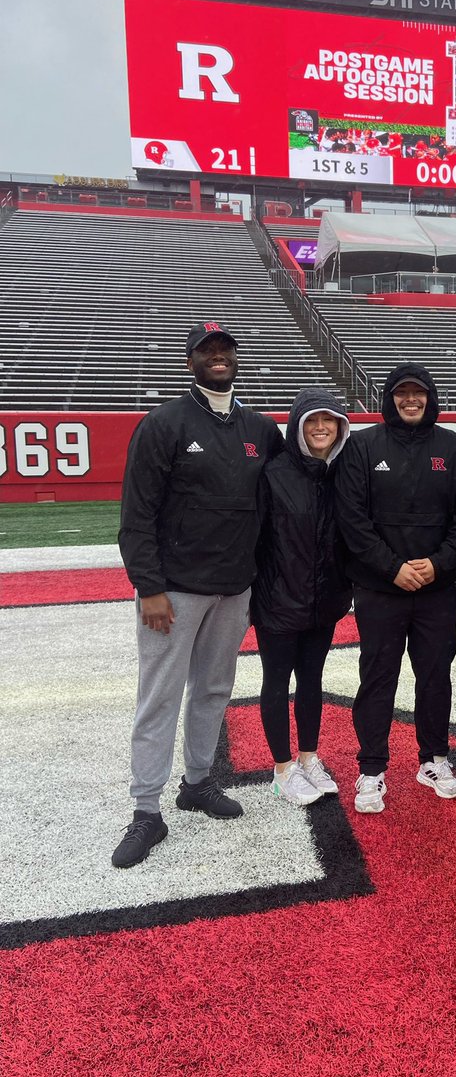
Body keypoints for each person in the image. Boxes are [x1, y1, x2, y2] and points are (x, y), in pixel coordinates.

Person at [113, 322, 284, 868]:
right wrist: (149, 588)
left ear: (236, 357)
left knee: (214, 689)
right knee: (159, 696)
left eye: (225, 349)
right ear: (191, 361)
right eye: (206, 351)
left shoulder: (259, 427)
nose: (217, 357)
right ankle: (145, 810)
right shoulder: (164, 423)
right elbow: (136, 514)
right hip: (175, 592)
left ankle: (198, 782)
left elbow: (278, 509)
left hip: (234, 588)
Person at [334, 364, 456, 814]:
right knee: (378, 678)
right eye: (402, 394)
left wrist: (437, 565)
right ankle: (372, 767)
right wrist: (392, 567)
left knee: (435, 676)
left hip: (437, 589)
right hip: (381, 589)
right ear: (390, 398)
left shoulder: (454, 449)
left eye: (419, 393)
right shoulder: (362, 447)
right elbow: (352, 520)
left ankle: (434, 759)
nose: (411, 401)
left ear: (431, 397)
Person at [251, 388, 352, 807]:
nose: (320, 428)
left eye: (328, 420)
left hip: (323, 599)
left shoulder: (342, 473)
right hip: (278, 600)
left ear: (340, 427)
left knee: (312, 681)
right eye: (311, 421)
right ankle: (281, 769)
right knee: (276, 681)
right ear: (296, 426)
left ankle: (309, 757)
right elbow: (254, 540)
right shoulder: (272, 473)